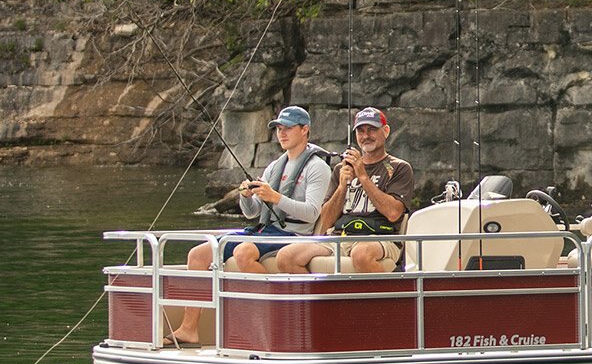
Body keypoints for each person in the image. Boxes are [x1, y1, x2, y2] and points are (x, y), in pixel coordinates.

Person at [164, 105, 331, 347]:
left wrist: (275, 198)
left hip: (293, 233)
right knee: (198, 254)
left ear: (305, 130)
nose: (282, 133)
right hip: (264, 230)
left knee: (244, 251)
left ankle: (276, 319)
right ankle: (189, 329)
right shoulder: (275, 166)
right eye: (279, 129)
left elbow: (312, 213)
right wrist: (246, 196)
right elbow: (252, 213)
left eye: (288, 128)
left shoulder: (318, 167)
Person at [276, 107, 414, 273]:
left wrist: (363, 177)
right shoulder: (341, 169)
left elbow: (393, 213)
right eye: (361, 131)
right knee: (286, 257)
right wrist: (342, 187)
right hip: (340, 236)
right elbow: (326, 221)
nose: (366, 136)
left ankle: (388, 291)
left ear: (385, 131)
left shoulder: (399, 167)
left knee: (361, 254)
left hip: (380, 238)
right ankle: (320, 291)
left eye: (372, 129)